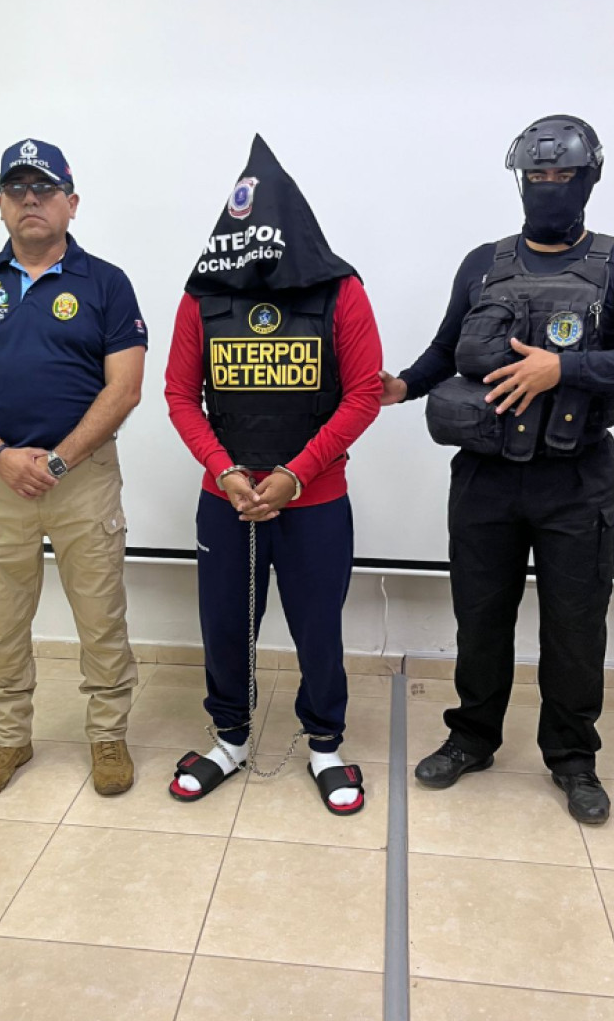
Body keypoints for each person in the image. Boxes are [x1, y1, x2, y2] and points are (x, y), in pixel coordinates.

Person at [381, 115, 614, 825]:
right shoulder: (483, 262)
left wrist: (563, 369)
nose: (548, 186)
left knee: (575, 627)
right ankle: (471, 738)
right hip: (485, 476)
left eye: (563, 175)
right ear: (520, 180)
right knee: (479, 617)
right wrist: (404, 385)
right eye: (536, 175)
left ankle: (573, 758)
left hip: (576, 479)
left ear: (589, 179)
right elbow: (445, 349)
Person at [164, 135, 382, 815]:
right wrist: (225, 469)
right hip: (226, 499)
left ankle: (325, 745)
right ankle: (229, 739)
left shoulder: (340, 290)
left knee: (318, 629)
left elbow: (364, 393)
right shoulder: (202, 295)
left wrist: (296, 474)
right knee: (226, 625)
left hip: (314, 501)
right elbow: (179, 395)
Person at [0, 138, 147, 798]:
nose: (31, 200)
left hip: (83, 482)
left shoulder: (107, 283)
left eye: (45, 189)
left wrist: (58, 460)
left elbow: (125, 389)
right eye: (18, 189)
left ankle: (107, 736)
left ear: (71, 203)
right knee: (0, 623)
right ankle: (8, 739)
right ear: (0, 204)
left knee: (101, 617)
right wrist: (1, 456)